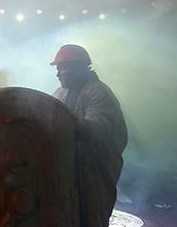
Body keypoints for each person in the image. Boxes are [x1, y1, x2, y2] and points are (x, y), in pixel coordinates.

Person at [50, 44, 128, 227]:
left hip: (96, 172)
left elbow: (97, 128)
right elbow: (47, 111)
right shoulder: (62, 93)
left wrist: (63, 126)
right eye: (58, 68)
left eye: (62, 68)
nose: (58, 74)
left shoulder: (98, 92)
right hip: (74, 171)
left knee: (92, 217)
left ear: (79, 67)